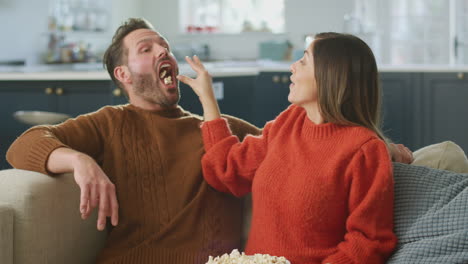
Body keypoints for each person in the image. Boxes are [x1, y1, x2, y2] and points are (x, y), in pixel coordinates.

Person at [6, 18, 261, 264]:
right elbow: (23, 146)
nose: (163, 51)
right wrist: (78, 160)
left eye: (165, 46)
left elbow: (286, 145)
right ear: (123, 74)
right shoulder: (110, 123)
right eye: (146, 49)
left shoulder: (221, 131)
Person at [178, 32, 401, 264]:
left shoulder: (364, 149)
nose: (292, 66)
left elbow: (369, 241)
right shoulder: (289, 122)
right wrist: (208, 99)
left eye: (303, 61)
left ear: (330, 76)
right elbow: (228, 171)